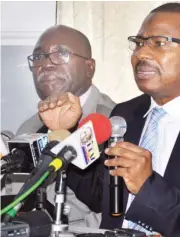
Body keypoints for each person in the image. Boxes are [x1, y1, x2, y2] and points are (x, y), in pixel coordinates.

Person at [37, 3, 180, 236]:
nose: (141, 54)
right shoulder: (125, 114)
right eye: (138, 43)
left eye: (158, 43)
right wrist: (64, 133)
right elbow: (101, 197)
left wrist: (148, 187)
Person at [16, 25, 116, 228]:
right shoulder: (29, 126)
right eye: (38, 57)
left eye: (61, 54)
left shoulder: (113, 121)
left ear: (90, 67)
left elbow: (110, 206)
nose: (46, 64)